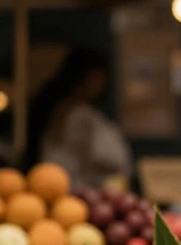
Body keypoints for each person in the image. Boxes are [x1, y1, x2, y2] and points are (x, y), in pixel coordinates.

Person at [28, 46, 133, 187]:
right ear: (82, 77)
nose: (100, 84)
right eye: (96, 78)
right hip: (64, 188)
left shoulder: (83, 112)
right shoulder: (72, 113)